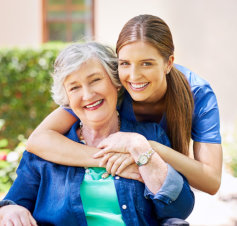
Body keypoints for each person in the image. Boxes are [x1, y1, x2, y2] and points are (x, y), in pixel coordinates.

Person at [26, 14, 222, 195]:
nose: (134, 76)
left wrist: (146, 148)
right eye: (125, 63)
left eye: (147, 63)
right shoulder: (114, 84)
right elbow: (38, 139)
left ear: (168, 63)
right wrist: (105, 159)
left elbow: (211, 181)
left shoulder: (198, 93)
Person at [0, 42, 194, 225]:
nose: (87, 95)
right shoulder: (46, 151)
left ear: (115, 82)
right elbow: (12, 202)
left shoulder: (149, 135)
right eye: (74, 87)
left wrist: (142, 150)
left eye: (95, 80)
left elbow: (180, 209)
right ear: (66, 97)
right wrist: (10, 210)